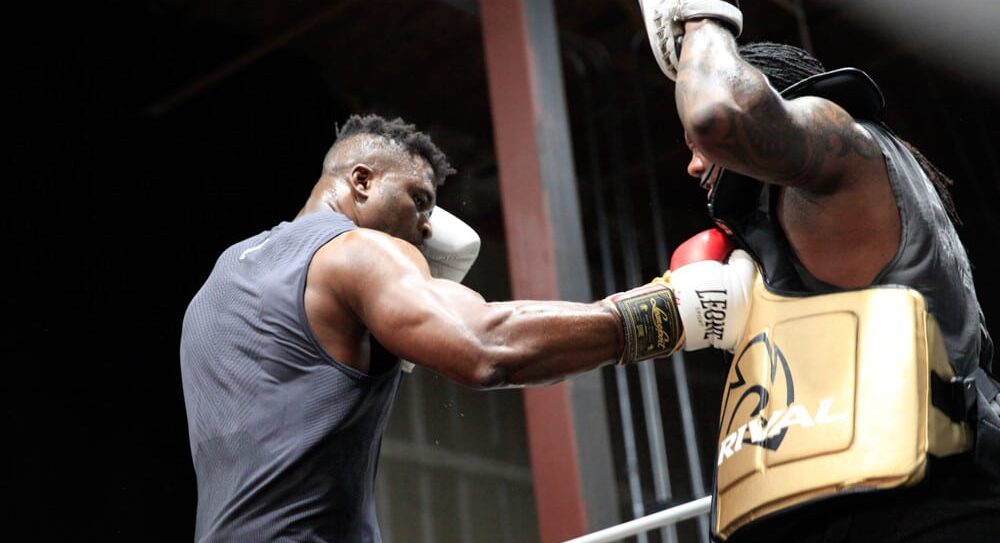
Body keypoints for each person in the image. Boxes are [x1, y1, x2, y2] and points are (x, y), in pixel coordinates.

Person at [179, 113, 755, 542]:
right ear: (361, 181)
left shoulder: (222, 277)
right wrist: (675, 313)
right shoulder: (356, 252)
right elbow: (487, 347)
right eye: (420, 201)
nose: (428, 228)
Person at [638, 1, 1000, 542]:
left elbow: (718, 117)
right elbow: (531, 344)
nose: (692, 165)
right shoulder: (749, 272)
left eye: (694, 149)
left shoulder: (846, 156)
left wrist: (702, 16)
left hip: (933, 511)